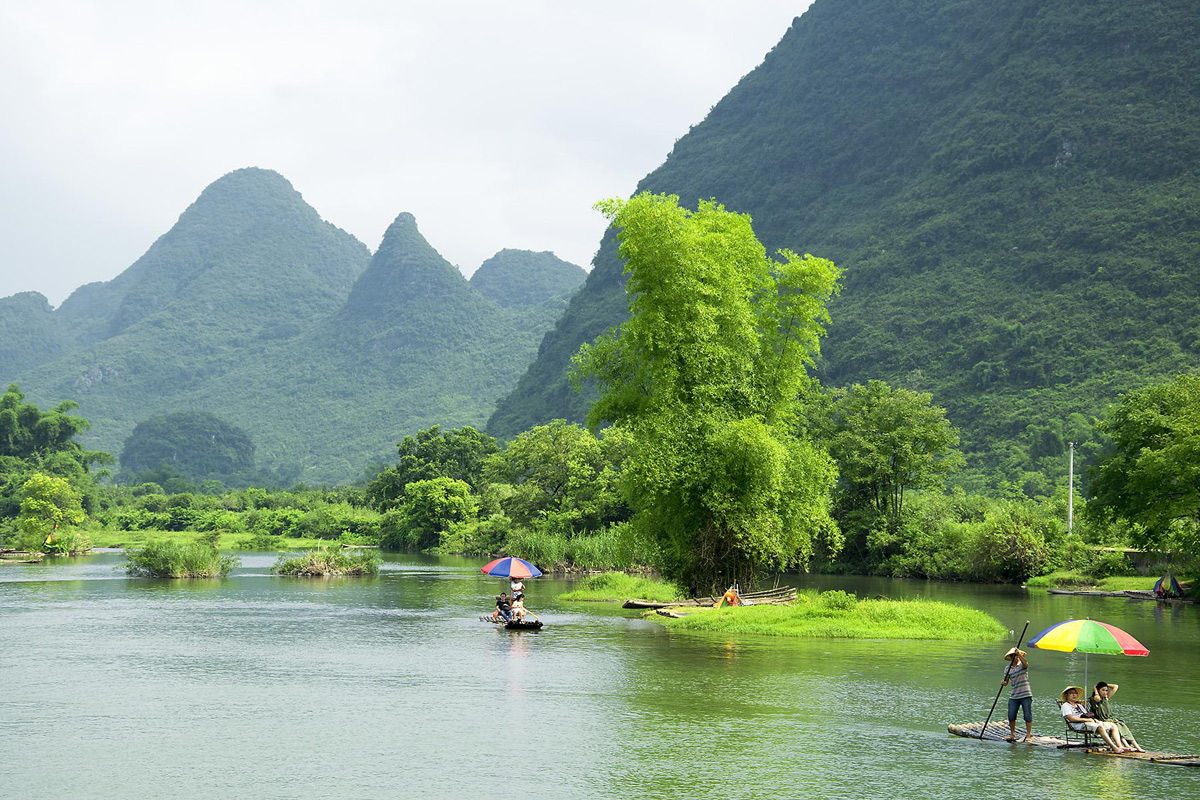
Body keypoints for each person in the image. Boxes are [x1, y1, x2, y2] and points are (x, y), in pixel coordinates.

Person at [1059, 686, 1126, 752]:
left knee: (1113, 725)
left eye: (1075, 693)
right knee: (1100, 727)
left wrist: (1094, 719)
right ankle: (1113, 747)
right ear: (1067, 695)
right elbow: (1071, 719)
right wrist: (1088, 720)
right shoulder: (1065, 706)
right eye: (1071, 693)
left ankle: (1120, 746)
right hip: (1079, 725)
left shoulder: (1078, 705)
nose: (1074, 695)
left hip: (1088, 722)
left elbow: (1087, 715)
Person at [1089, 682, 1143, 752]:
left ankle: (1131, 745)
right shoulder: (1095, 699)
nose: (1105, 692)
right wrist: (1095, 689)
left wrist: (1105, 685)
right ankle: (1131, 746)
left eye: (1106, 690)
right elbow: (1097, 698)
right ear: (1098, 690)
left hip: (1110, 719)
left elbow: (1115, 686)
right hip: (1103, 720)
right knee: (1119, 725)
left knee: (1121, 725)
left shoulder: (1106, 698)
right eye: (1103, 690)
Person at [1000, 647, 1033, 743]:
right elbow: (1006, 681)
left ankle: (1028, 734)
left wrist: (1019, 655)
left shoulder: (1022, 665)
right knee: (1011, 715)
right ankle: (1012, 734)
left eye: (1017, 656)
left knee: (1027, 715)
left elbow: (1026, 664)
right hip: (1014, 695)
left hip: (1025, 694)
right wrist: (1003, 683)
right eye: (1014, 656)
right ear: (1010, 658)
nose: (1016, 658)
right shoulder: (1007, 669)